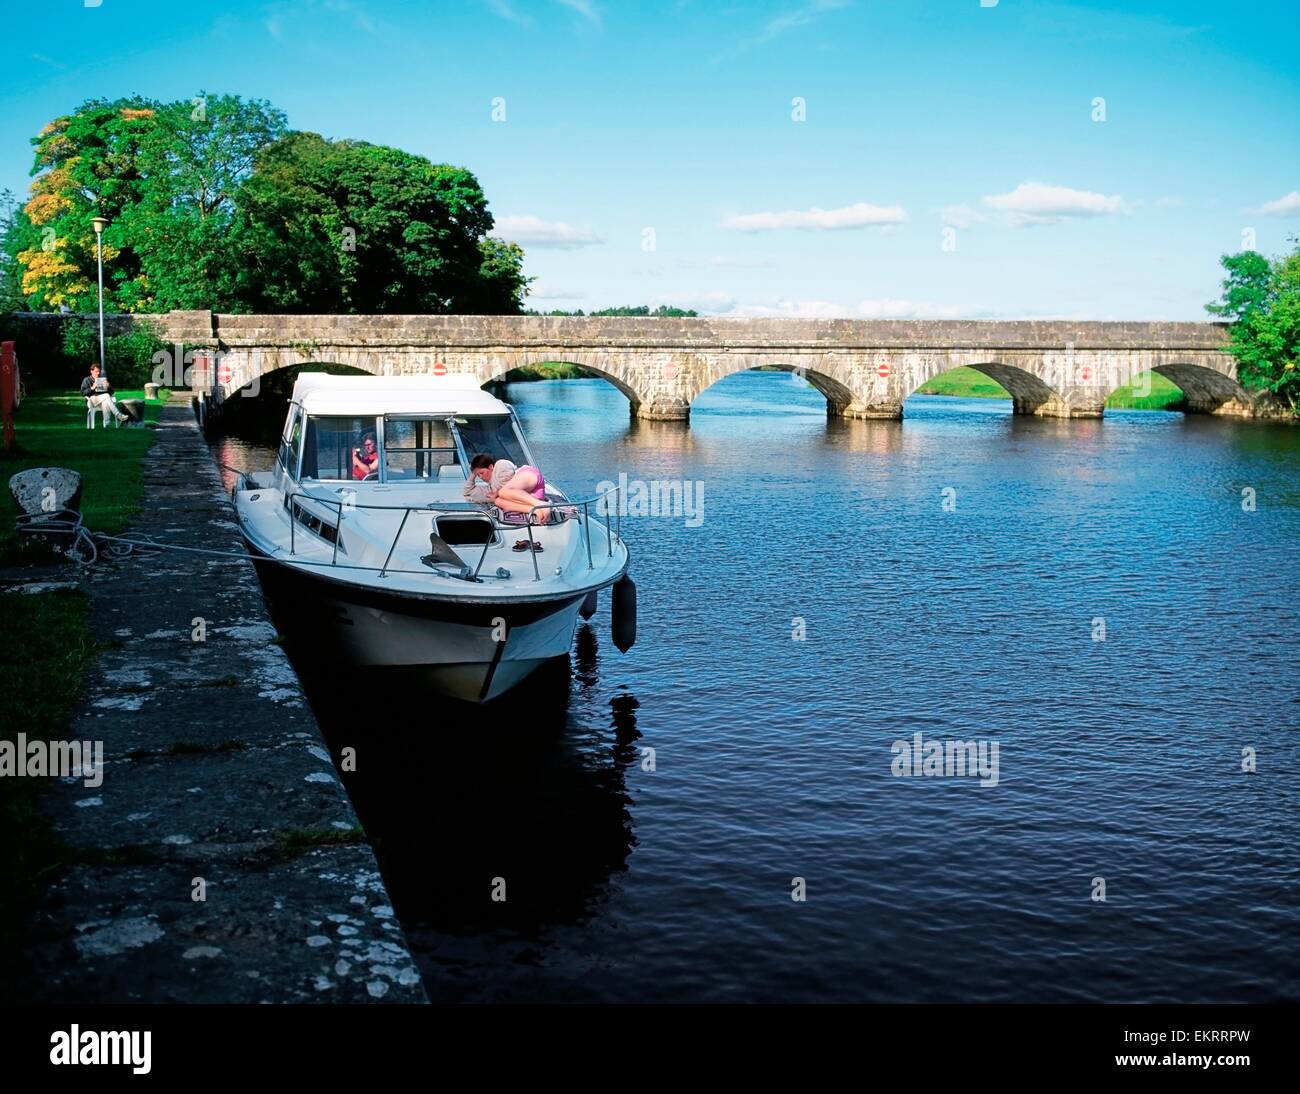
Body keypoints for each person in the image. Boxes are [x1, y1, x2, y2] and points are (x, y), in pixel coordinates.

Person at [465, 453, 551, 550]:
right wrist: (473, 473)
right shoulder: (490, 487)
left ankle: (542, 505)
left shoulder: (500, 465)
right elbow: (468, 492)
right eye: (478, 476)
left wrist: (497, 492)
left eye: (482, 473)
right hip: (533, 495)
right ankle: (535, 509)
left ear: (490, 467)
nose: (481, 477)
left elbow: (509, 478)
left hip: (528, 477)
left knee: (503, 493)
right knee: (498, 502)